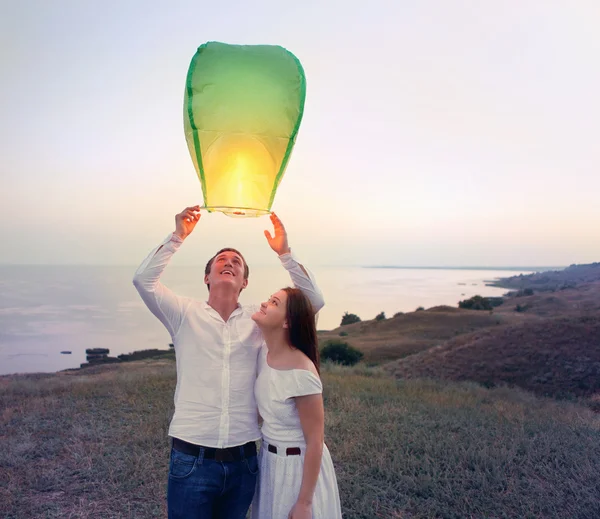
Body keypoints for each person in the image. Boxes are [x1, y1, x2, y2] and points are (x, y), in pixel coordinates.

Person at [132, 205, 324, 519]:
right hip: (192, 458)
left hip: (244, 462)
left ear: (245, 282)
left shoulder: (258, 320)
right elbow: (144, 281)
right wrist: (177, 237)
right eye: (222, 260)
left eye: (237, 262)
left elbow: (312, 302)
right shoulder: (183, 313)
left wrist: (285, 253)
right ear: (207, 276)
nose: (229, 263)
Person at [251, 288, 342, 519]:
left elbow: (315, 441)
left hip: (297, 470)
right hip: (270, 464)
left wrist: (304, 502)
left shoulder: (302, 372)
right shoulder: (263, 353)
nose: (263, 304)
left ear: (287, 322)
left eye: (273, 302)